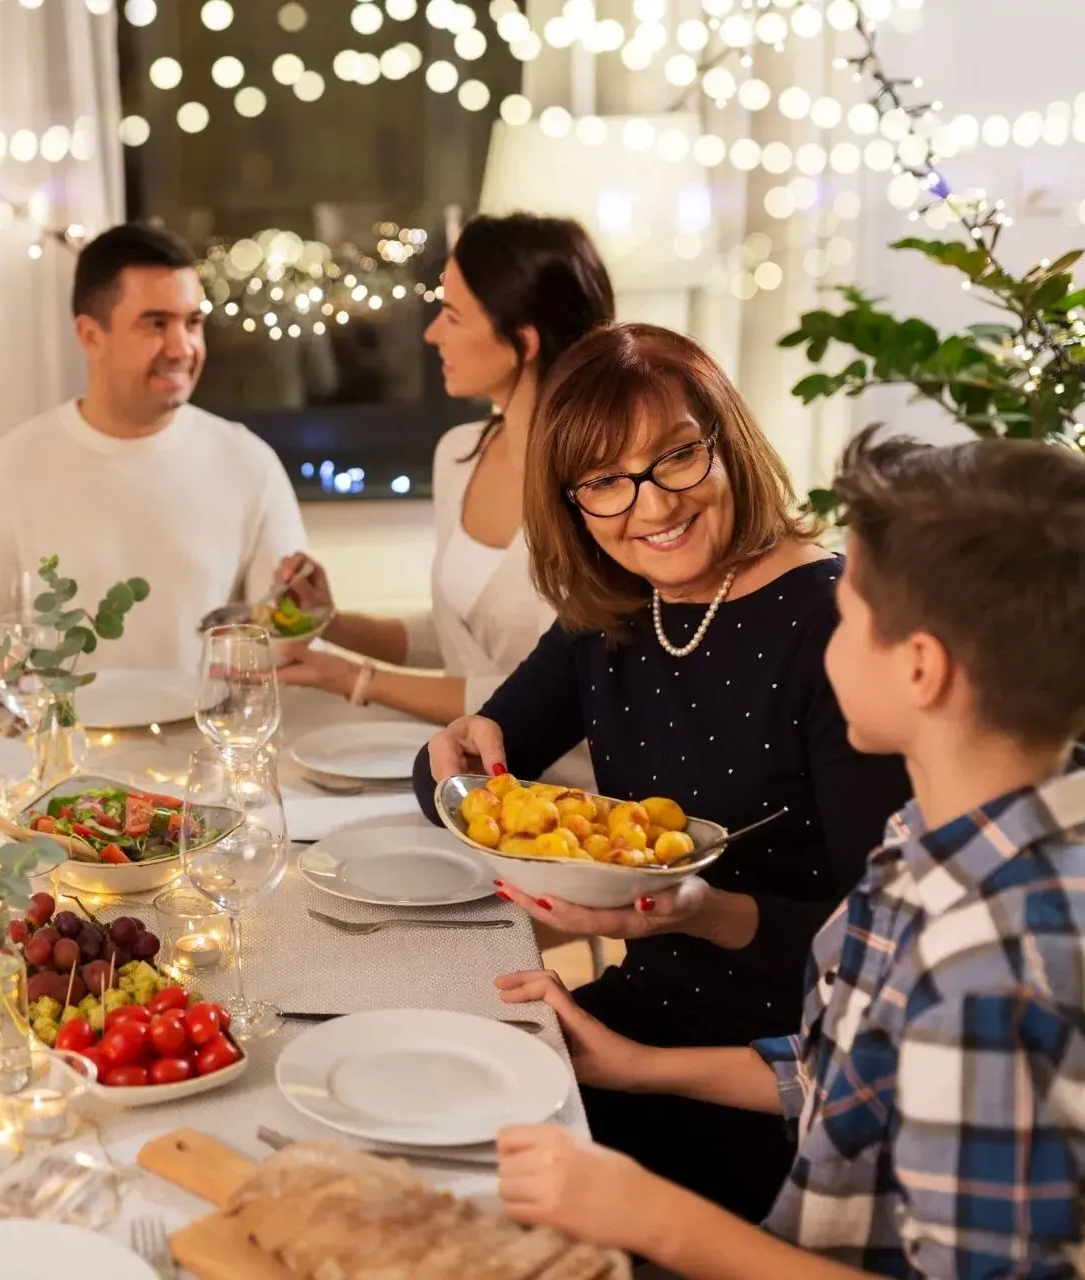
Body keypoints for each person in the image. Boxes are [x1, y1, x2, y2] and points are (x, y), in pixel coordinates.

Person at [494, 432, 1085, 1278]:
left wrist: (653, 1217)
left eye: (850, 612)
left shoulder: (994, 975)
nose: (821, 622)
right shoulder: (930, 840)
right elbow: (849, 1075)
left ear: (920, 670)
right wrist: (638, 1069)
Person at [415, 323, 912, 1222]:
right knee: (427, 1145)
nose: (649, 506)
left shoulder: (837, 628)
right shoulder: (613, 612)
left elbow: (883, 958)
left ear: (729, 444)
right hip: (637, 1017)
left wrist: (704, 915)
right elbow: (464, 774)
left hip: (789, 1073)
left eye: (677, 457)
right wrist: (457, 744)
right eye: (605, 481)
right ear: (570, 503)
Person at [275, 214, 614, 776]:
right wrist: (331, 623)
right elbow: (458, 635)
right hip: (464, 785)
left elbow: (546, 685)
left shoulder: (602, 488)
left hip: (570, 795)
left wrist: (356, 680)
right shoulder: (459, 454)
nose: (432, 333)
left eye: (453, 316)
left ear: (522, 341)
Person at [0, 222, 308, 669]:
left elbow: (286, 638)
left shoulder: (249, 463)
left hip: (206, 734)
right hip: (65, 738)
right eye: (156, 324)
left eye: (192, 323)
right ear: (91, 336)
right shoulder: (11, 467)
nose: (182, 347)